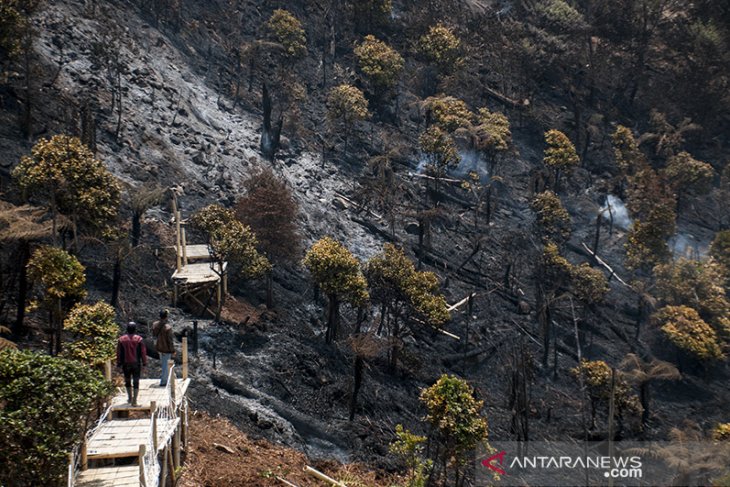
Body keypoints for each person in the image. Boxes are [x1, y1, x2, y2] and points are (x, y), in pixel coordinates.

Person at [117, 322, 147, 406]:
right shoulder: (139, 339)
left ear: (127, 329)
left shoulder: (121, 339)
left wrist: (119, 363)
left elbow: (119, 353)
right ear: (135, 329)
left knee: (127, 380)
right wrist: (144, 363)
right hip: (136, 363)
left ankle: (129, 398)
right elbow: (143, 352)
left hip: (125, 363)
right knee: (136, 381)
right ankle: (134, 401)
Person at [152, 309, 175, 387]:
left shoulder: (155, 325)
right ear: (166, 317)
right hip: (166, 349)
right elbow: (170, 341)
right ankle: (163, 381)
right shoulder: (168, 328)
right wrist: (173, 350)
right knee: (165, 365)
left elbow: (154, 334)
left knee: (163, 364)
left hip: (158, 347)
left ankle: (165, 379)